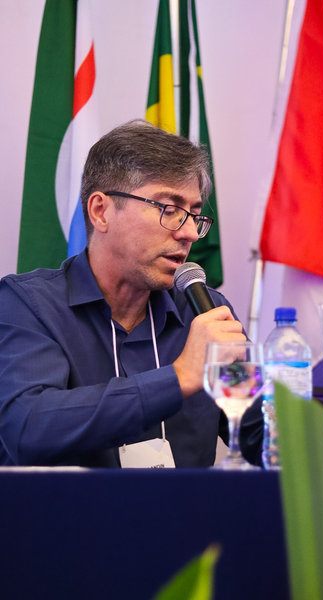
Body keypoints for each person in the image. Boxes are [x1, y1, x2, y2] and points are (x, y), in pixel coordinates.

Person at [0, 119, 261, 468]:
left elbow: (261, 434)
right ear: (101, 211)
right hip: (70, 506)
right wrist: (179, 377)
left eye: (194, 215)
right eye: (169, 210)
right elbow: (27, 428)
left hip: (184, 506)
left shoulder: (205, 311)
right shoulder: (28, 305)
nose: (188, 233)